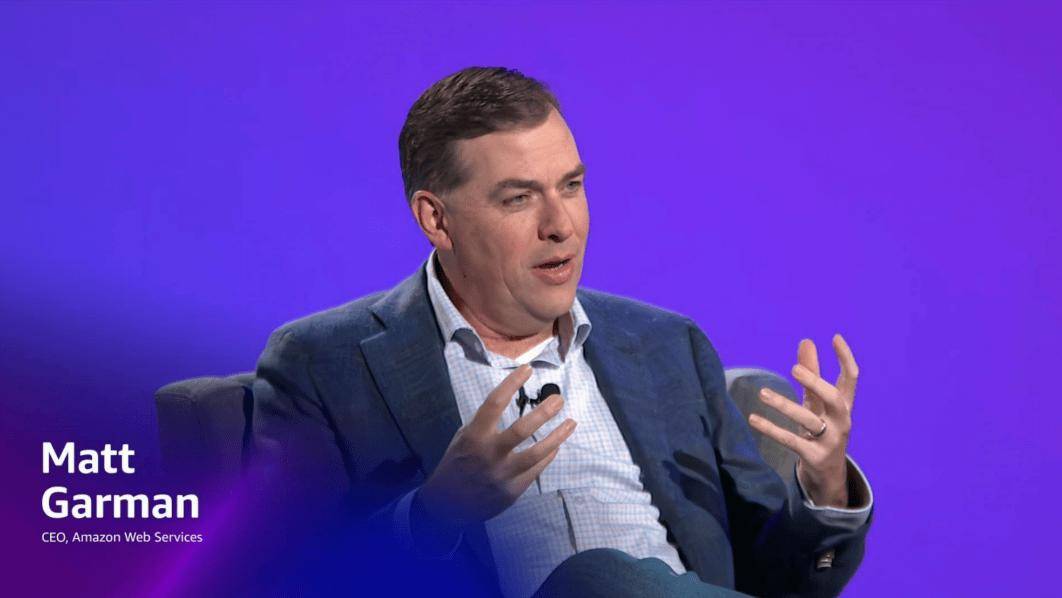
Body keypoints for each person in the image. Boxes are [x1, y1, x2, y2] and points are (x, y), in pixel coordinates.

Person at [253, 67, 873, 598]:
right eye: (519, 199)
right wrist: (433, 514)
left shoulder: (667, 345)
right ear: (436, 219)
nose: (561, 225)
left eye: (571, 186)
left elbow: (780, 582)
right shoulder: (323, 363)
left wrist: (825, 489)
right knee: (596, 578)